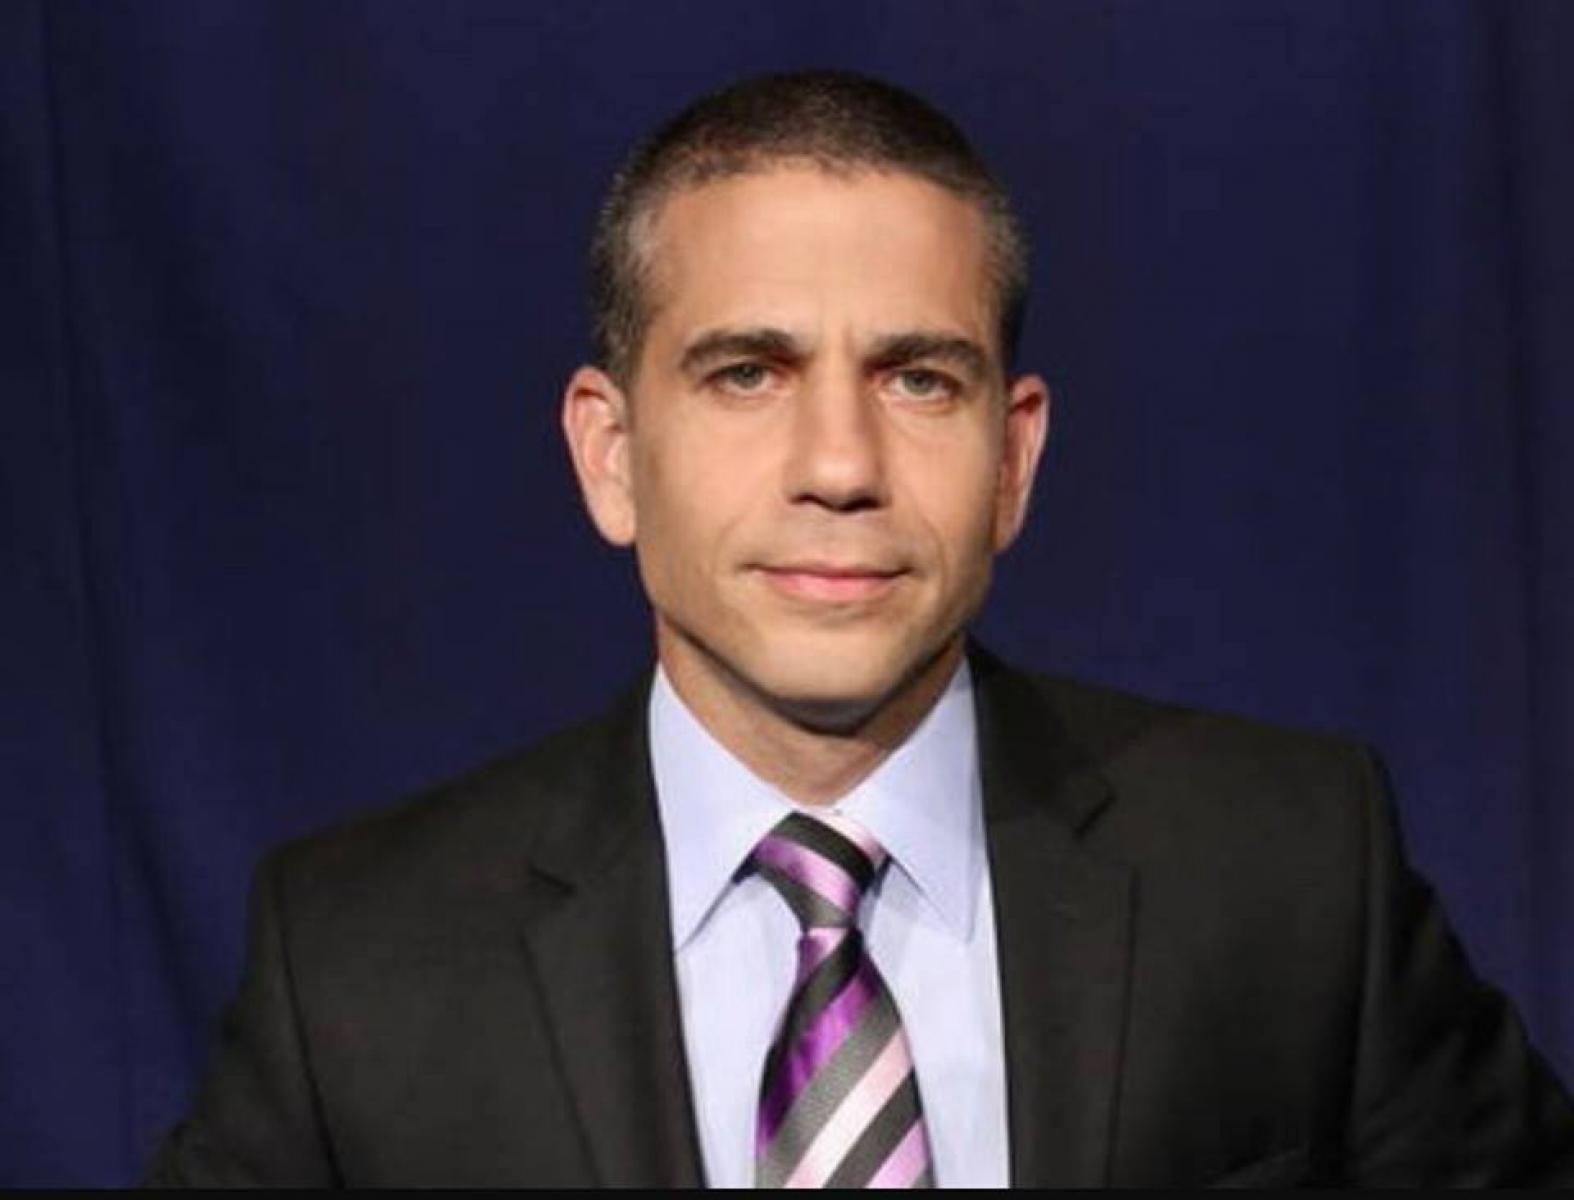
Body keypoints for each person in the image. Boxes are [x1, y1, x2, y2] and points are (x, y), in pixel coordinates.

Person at [145, 69, 1574, 1187]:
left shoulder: (1294, 872)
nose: (839, 465)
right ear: (610, 455)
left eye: (918, 380)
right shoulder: (355, 963)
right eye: (747, 374)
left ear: (1014, 459)